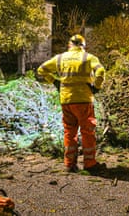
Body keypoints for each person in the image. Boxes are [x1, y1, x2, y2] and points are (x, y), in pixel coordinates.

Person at [37, 34, 105, 173]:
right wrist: (96, 87)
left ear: (70, 45)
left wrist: (54, 81)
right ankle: (90, 163)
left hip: (66, 100)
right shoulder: (88, 57)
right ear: (83, 46)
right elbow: (100, 71)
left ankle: (69, 164)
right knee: (87, 132)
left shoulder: (60, 58)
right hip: (83, 99)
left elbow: (41, 69)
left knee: (69, 132)